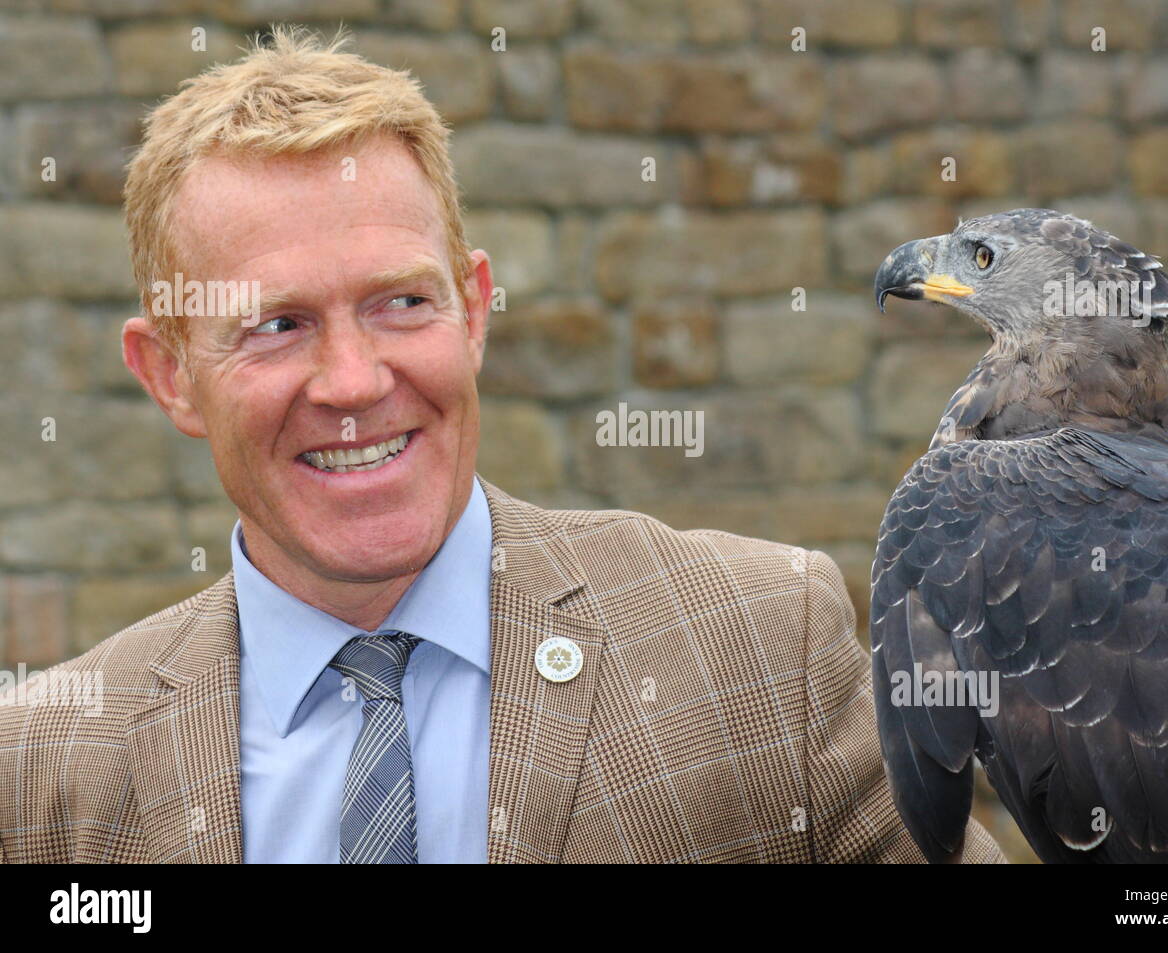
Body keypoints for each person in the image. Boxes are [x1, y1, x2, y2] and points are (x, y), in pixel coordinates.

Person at [0, 26, 1004, 864]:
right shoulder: (46, 767)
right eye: (278, 325)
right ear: (169, 372)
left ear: (474, 309)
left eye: (401, 301)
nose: (352, 380)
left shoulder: (759, 642)